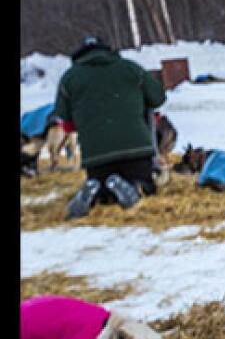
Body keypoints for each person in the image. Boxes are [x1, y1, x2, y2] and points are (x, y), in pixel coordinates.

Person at [54, 37, 167, 219]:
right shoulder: (130, 68)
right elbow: (158, 98)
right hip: (136, 148)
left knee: (103, 192)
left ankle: (94, 194)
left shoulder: (69, 78)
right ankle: (135, 188)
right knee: (145, 185)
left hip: (96, 155)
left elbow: (65, 120)